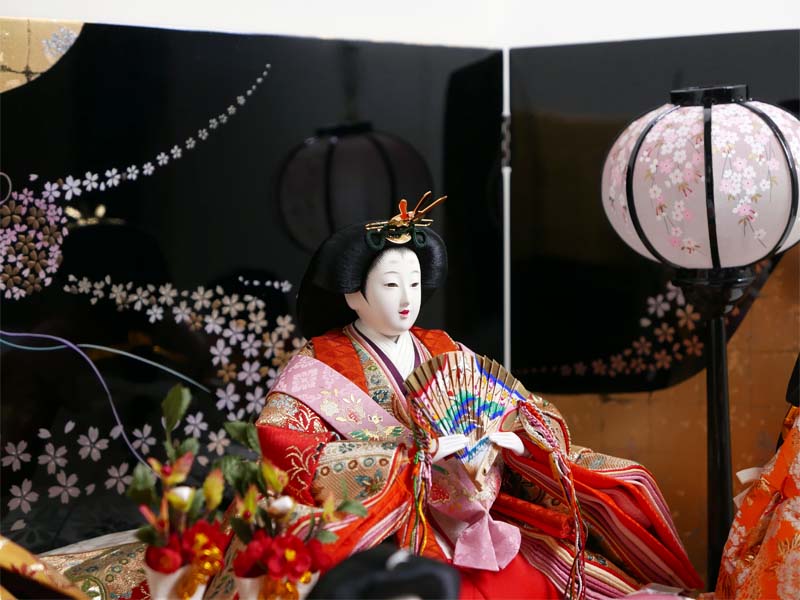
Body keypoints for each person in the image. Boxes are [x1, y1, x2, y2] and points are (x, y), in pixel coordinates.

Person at [254, 194, 703, 599]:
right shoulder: (317, 366)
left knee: (619, 491)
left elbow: (521, 405)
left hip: (473, 512)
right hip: (382, 530)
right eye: (391, 285)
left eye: (414, 282)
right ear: (353, 294)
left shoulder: (443, 347)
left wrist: (510, 437)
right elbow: (289, 449)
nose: (408, 298)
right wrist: (409, 458)